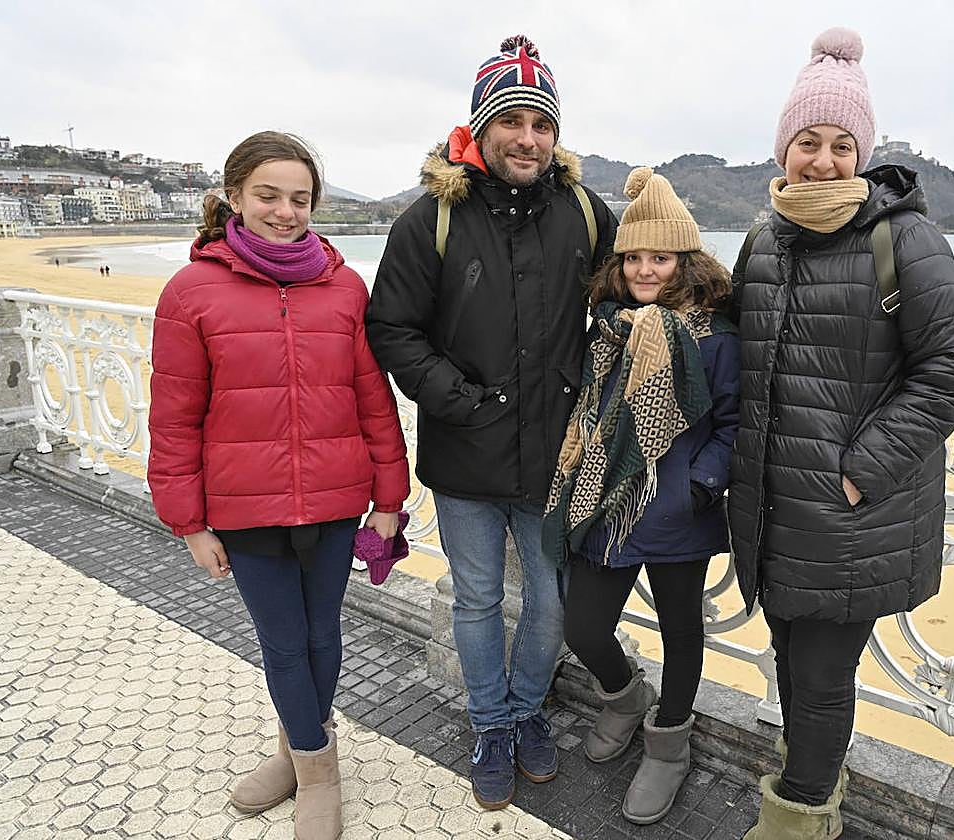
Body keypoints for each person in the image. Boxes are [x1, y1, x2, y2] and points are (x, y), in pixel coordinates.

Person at [729, 28, 954, 839]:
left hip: (850, 510)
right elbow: (736, 345)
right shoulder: (765, 239)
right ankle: (812, 795)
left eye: (842, 145)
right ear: (784, 147)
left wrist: (859, 471)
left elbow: (947, 373)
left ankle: (798, 819)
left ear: (862, 154)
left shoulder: (903, 237)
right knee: (795, 666)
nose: (824, 160)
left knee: (824, 673)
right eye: (809, 142)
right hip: (774, 505)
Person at [366, 35, 617, 809]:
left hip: (553, 454)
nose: (528, 137)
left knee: (549, 601)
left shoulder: (582, 209)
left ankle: (528, 713)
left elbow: (627, 295)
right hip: (465, 454)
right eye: (511, 119)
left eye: (541, 123)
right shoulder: (431, 219)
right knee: (476, 598)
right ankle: (491, 725)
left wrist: (595, 378)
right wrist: (459, 399)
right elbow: (392, 328)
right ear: (480, 126)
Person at [148, 131, 410, 840]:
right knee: (285, 643)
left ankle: (300, 750)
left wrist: (390, 498)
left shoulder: (345, 284)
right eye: (268, 195)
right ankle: (317, 769)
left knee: (324, 636)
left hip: (334, 498)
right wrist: (189, 522)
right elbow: (174, 418)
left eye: (300, 198)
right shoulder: (191, 291)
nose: (285, 211)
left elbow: (372, 398)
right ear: (234, 197)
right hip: (243, 506)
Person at [543, 168, 739, 824]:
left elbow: (737, 424)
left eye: (660, 257)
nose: (646, 270)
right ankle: (624, 697)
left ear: (686, 260)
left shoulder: (716, 335)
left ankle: (668, 746)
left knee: (682, 630)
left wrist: (700, 486)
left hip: (679, 510)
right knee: (585, 628)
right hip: (607, 502)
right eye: (634, 258)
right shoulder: (607, 323)